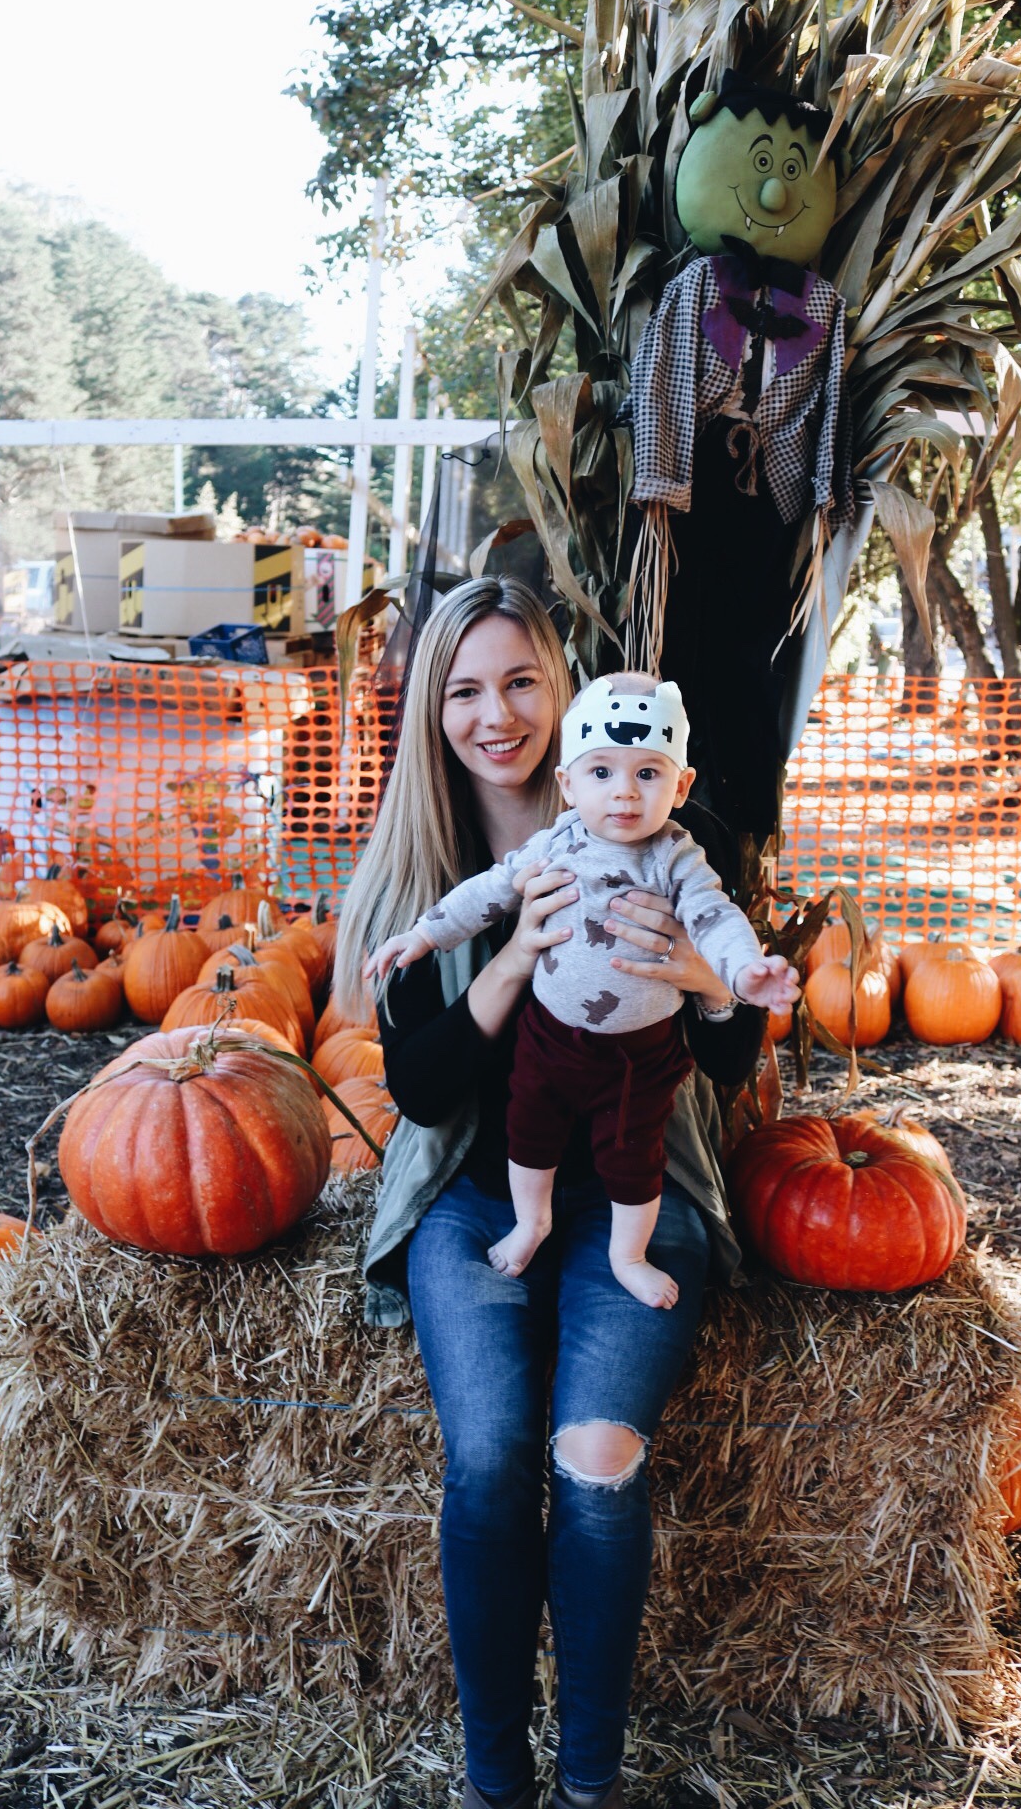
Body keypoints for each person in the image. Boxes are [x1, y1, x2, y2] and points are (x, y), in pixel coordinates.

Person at [334, 577, 764, 1809]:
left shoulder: (665, 823)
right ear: (433, 712)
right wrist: (517, 951)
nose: (496, 715)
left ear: (565, 695)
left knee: (594, 1456)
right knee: (487, 1458)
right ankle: (494, 1781)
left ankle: (587, 1783)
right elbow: (420, 1092)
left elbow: (728, 1063)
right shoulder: (424, 874)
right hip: (476, 1201)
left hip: (635, 1192)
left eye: (521, 681)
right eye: (464, 691)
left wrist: (707, 981)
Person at [366, 672, 797, 1309]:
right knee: (529, 1132)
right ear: (568, 785)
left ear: (681, 787)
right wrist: (424, 934)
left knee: (634, 1157)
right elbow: (487, 893)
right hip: (548, 1038)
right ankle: (531, 1223)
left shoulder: (678, 857)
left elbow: (716, 918)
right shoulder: (556, 844)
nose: (624, 791)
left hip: (638, 1056)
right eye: (601, 773)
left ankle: (628, 1255)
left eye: (647, 774)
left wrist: (740, 973)